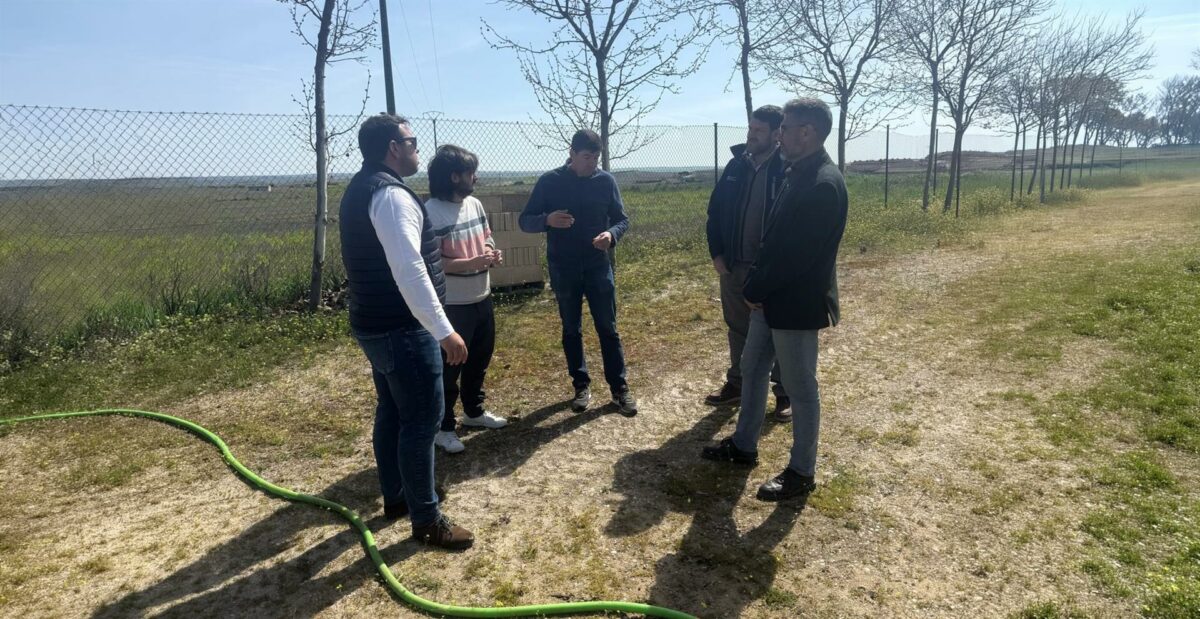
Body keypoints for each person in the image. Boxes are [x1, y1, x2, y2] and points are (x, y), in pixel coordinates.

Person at [700, 98, 849, 502]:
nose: (779, 134)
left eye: (786, 128)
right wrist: (758, 290)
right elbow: (773, 240)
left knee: (800, 387)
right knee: (752, 368)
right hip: (769, 300)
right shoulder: (795, 172)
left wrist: (755, 291)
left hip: (795, 305)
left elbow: (796, 257)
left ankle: (802, 471)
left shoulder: (822, 183)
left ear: (808, 132)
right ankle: (744, 446)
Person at [339, 113, 473, 549]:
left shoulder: (363, 187)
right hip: (402, 327)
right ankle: (427, 519)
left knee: (393, 412)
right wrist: (443, 330)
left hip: (375, 323)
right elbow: (410, 269)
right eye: (412, 141)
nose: (418, 148)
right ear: (393, 148)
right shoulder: (391, 197)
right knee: (421, 421)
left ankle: (398, 497)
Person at [518, 129, 638, 416]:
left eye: (596, 158)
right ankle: (581, 385)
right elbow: (525, 221)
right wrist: (547, 220)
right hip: (564, 267)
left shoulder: (605, 181)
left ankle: (619, 388)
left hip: (598, 266)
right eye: (586, 157)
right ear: (571, 153)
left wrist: (611, 234)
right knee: (571, 328)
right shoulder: (550, 182)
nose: (591, 163)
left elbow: (622, 219)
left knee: (608, 327)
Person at [703, 104, 792, 421]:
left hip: (770, 270)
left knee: (779, 330)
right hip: (734, 266)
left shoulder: (787, 169)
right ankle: (737, 384)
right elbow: (714, 213)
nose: (751, 135)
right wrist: (717, 253)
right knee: (737, 328)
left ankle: (785, 393)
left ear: (777, 134)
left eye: (758, 131)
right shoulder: (735, 166)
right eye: (750, 128)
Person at [424, 144, 509, 454]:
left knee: (479, 359)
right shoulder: (429, 213)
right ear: (454, 176)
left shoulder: (474, 204)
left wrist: (489, 251)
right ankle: (443, 427)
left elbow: (485, 236)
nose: (476, 177)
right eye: (471, 172)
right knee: (450, 367)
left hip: (482, 296)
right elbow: (434, 264)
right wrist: (470, 263)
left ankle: (473, 412)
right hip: (453, 305)